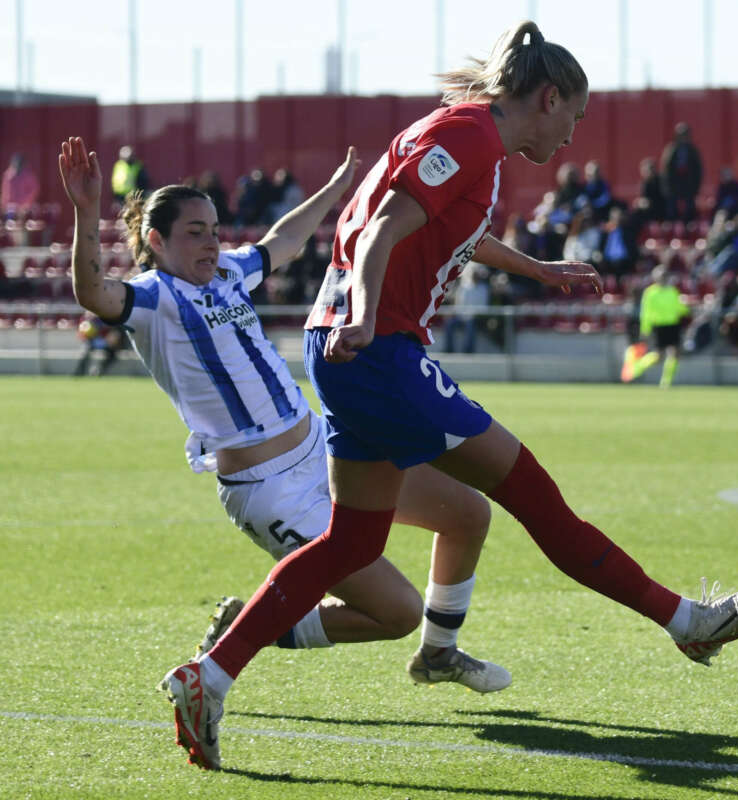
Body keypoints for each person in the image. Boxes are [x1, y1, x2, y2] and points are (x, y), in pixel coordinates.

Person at [161, 21, 738, 771]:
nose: (573, 137)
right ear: (546, 97)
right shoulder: (475, 137)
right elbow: (384, 226)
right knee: (537, 498)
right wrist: (363, 315)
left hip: (346, 352)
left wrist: (537, 268)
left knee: (352, 544)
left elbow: (448, 230)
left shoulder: (465, 137)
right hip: (376, 349)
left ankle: (209, 676)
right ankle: (687, 621)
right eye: (572, 117)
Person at [59, 135, 515, 764]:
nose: (211, 242)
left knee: (468, 514)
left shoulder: (225, 275)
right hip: (271, 488)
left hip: (325, 450)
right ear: (157, 243)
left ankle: (439, 655)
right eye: (194, 232)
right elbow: (92, 293)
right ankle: (249, 636)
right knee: (397, 611)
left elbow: (282, 242)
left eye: (214, 229)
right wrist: (86, 214)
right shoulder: (154, 299)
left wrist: (335, 190)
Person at [621, 265, 690, 386]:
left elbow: (678, 306)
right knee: (659, 356)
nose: (663, 278)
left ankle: (666, 381)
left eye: (665, 276)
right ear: (655, 278)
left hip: (673, 325)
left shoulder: (672, 291)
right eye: (661, 276)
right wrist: (645, 329)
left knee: (675, 352)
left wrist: (687, 310)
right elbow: (646, 312)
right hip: (659, 326)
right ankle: (638, 367)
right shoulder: (650, 293)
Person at [2, 152, 40, 217]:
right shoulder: (8, 175)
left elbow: (34, 190)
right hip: (10, 208)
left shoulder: (28, 175)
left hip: (24, 208)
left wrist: (25, 203)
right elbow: (5, 191)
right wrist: (4, 204)